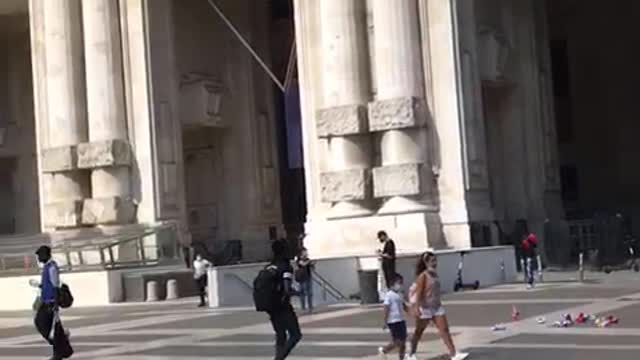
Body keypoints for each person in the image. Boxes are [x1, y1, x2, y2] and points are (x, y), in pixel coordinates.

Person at [408, 251, 468, 360]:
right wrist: (416, 308)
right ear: (425, 263)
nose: (435, 263)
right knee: (418, 332)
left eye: (435, 260)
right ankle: (411, 354)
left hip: (436, 307)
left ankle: (453, 353)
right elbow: (419, 293)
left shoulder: (435, 274)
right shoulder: (423, 276)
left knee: (444, 330)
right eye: (432, 261)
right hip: (425, 308)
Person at [33, 246, 73, 360]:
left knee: (41, 323)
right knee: (51, 327)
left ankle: (58, 350)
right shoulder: (46, 267)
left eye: (40, 255)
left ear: (46, 254)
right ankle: (61, 348)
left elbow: (55, 286)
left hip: (50, 303)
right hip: (45, 301)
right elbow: (49, 284)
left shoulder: (52, 268)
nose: (38, 258)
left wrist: (55, 305)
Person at [269, 240, 302, 359]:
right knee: (295, 335)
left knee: (280, 334)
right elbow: (287, 289)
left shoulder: (270, 265)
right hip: (283, 306)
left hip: (271, 305)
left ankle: (278, 356)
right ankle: (278, 359)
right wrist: (297, 293)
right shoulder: (285, 266)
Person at [378, 273, 408, 360]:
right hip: (393, 321)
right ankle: (384, 350)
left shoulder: (400, 294)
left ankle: (401, 358)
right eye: (399, 283)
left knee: (403, 341)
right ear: (393, 283)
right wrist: (385, 321)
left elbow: (404, 306)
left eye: (401, 283)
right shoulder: (389, 295)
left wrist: (412, 312)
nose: (400, 285)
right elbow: (386, 308)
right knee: (397, 341)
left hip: (401, 320)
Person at [295, 247, 314, 314]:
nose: (306, 253)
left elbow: (311, 268)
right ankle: (303, 307)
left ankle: (310, 307)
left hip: (308, 277)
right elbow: (302, 264)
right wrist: (308, 262)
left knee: (310, 293)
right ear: (302, 252)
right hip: (302, 278)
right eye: (305, 252)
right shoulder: (298, 259)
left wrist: (312, 265)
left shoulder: (307, 259)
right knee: (302, 293)